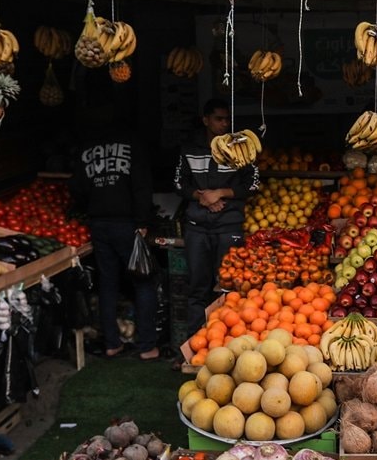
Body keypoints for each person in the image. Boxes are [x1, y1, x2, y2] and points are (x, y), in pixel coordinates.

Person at [70, 104, 160, 361]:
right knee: (143, 281)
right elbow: (142, 184)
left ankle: (111, 343)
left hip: (99, 224)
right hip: (128, 223)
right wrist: (143, 221)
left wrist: (93, 203)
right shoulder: (132, 143)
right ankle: (147, 347)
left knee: (107, 283)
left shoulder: (87, 148)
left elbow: (77, 187)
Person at [175, 99, 259, 334]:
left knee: (229, 286)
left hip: (228, 225)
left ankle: (228, 342)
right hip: (197, 226)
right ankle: (193, 345)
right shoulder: (190, 148)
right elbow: (179, 183)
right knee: (197, 287)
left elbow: (253, 184)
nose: (224, 124)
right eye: (218, 119)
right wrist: (201, 197)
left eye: (227, 119)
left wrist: (221, 193)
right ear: (206, 120)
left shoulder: (240, 148)